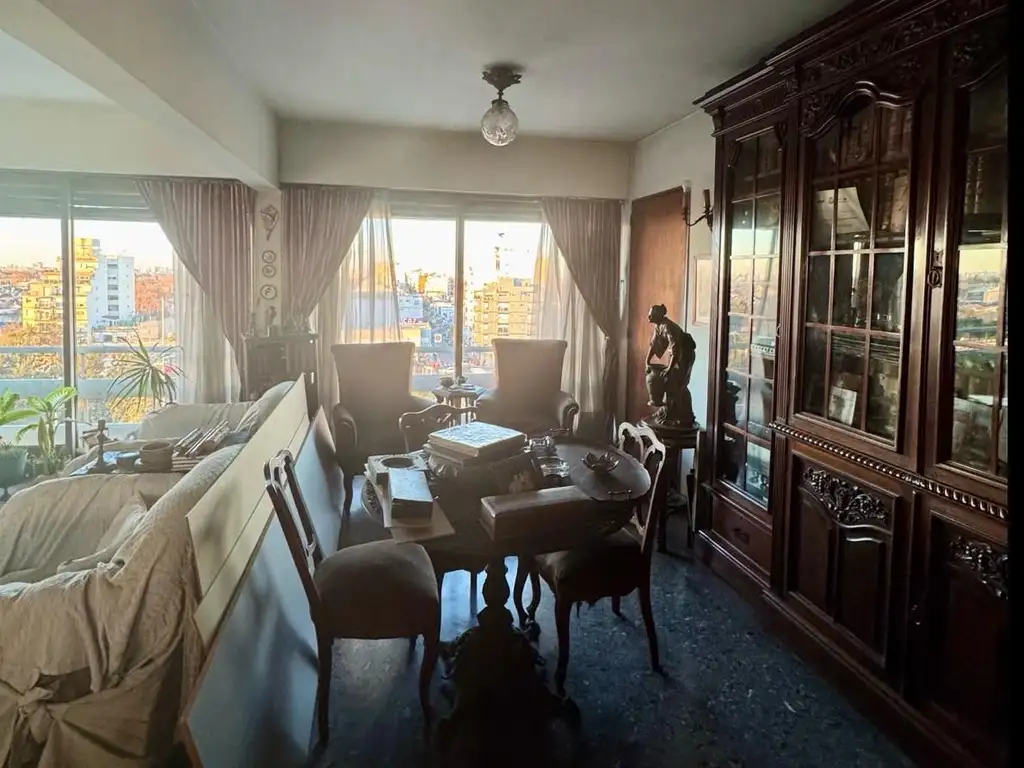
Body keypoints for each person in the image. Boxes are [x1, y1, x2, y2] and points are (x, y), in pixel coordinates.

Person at [645, 304, 697, 427]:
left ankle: (683, 416)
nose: (648, 317)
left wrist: (669, 369)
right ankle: (666, 411)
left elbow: (676, 349)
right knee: (669, 382)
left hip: (685, 355)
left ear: (658, 315)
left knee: (678, 384)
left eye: (651, 315)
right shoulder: (659, 326)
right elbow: (654, 346)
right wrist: (647, 361)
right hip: (677, 355)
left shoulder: (668, 327)